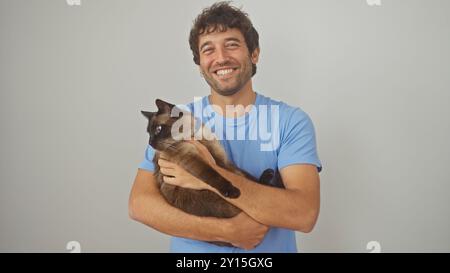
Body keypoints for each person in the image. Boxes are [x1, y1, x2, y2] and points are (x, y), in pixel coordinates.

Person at [128, 1, 322, 253]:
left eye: (231, 44)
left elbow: (303, 214)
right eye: (208, 50)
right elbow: (139, 204)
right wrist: (227, 232)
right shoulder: (175, 121)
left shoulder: (290, 121)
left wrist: (206, 175)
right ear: (199, 64)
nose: (221, 58)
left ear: (254, 54)